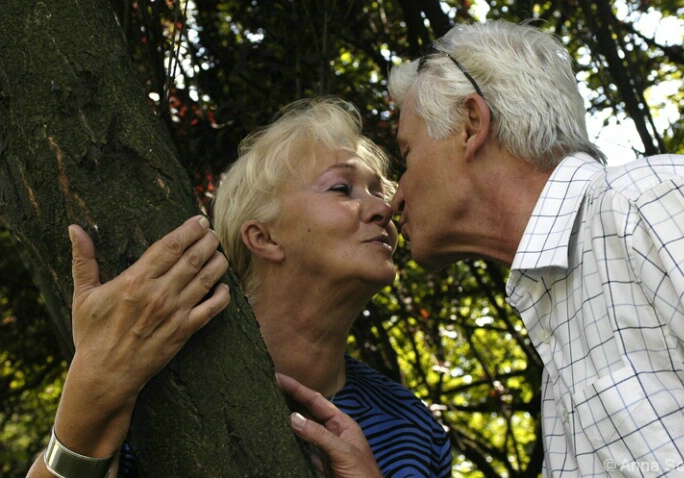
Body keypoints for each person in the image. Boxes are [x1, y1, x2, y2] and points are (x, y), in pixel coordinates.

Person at [280, 20, 684, 477]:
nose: (395, 198)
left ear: (471, 124)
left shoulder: (645, 205)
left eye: (407, 156)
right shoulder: (560, 350)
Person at [27, 97, 451, 478]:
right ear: (263, 238)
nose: (383, 209)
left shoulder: (413, 427)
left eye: (380, 192)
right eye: (342, 188)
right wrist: (91, 390)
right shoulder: (160, 387)